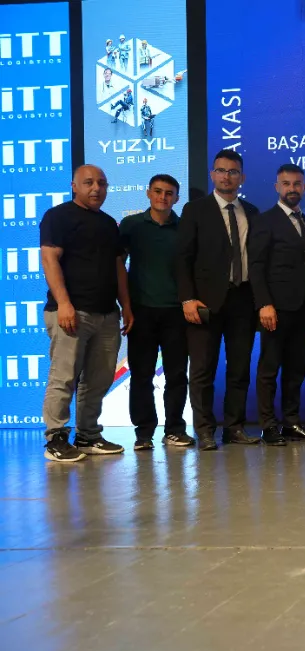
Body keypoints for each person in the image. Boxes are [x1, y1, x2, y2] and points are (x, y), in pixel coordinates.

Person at [39, 165, 133, 462]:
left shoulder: (108, 223)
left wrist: (126, 305)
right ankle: (55, 438)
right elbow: (49, 259)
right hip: (71, 311)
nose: (96, 188)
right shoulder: (58, 216)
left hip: (107, 313)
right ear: (74, 186)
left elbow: (118, 267)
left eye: (102, 183)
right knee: (64, 376)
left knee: (99, 379)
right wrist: (64, 303)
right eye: (89, 183)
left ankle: (88, 435)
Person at [176, 149, 261, 450]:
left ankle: (234, 428)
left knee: (239, 369)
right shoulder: (195, 210)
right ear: (212, 175)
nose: (227, 176)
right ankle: (205, 431)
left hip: (243, 300)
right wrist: (187, 298)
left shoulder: (252, 212)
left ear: (242, 177)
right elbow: (182, 258)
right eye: (221, 171)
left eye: (233, 171)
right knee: (202, 370)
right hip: (204, 302)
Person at [120, 174, 193, 451]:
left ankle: (174, 430)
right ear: (148, 193)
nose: (163, 197)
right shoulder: (131, 225)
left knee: (177, 375)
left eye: (169, 193)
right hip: (141, 311)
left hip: (176, 312)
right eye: (158, 191)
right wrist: (125, 306)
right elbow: (118, 266)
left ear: (177, 198)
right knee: (141, 375)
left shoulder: (185, 227)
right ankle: (143, 433)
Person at [248, 164, 305, 445]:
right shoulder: (265, 220)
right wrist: (264, 304)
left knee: (296, 368)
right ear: (277, 187)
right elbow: (256, 266)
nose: (292, 188)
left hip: (302, 307)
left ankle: (291, 423)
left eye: (297, 184)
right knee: (269, 369)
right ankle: (268, 426)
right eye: (286, 184)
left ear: (304, 187)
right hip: (275, 309)